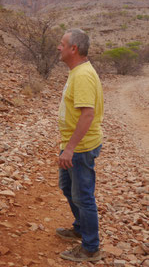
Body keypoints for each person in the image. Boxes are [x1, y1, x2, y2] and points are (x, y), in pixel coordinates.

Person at [56, 28, 103, 262]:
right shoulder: (77, 71)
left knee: (83, 196)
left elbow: (87, 115)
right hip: (74, 144)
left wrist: (70, 148)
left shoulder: (83, 75)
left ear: (73, 49)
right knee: (67, 187)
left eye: (62, 44)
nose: (58, 47)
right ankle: (80, 228)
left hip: (81, 147)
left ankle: (91, 248)